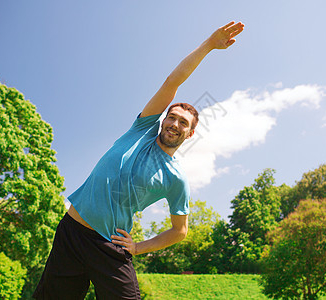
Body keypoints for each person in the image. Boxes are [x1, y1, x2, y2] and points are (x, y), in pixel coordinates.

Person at [33, 20, 244, 300]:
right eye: (171, 117)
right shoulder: (142, 130)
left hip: (110, 246)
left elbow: (180, 231)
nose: (174, 123)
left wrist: (138, 247)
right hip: (70, 234)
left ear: (190, 133)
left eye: (183, 122)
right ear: (162, 120)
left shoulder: (175, 178)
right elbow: (173, 81)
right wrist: (208, 45)